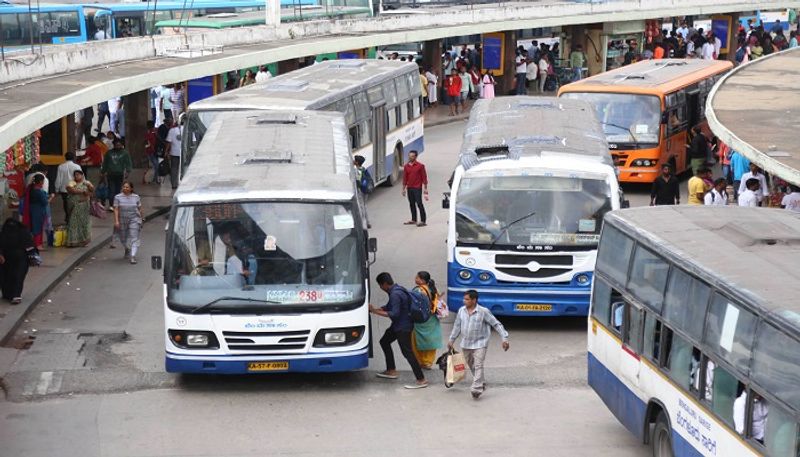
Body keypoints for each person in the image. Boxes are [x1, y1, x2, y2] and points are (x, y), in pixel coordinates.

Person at [368, 272, 428, 389]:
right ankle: (391, 370)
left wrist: (375, 311)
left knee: (407, 352)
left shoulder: (395, 294)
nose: (381, 288)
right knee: (384, 341)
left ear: (385, 284)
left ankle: (421, 379)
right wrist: (377, 309)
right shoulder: (398, 289)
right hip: (398, 325)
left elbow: (394, 313)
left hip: (403, 327)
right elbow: (390, 306)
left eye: (380, 286)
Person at [448, 289, 509, 399]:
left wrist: (504, 338)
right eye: (464, 299)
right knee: (471, 365)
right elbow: (457, 326)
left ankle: (476, 388)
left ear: (474, 300)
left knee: (478, 364)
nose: (464, 301)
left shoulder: (483, 311)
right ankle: (481, 382)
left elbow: (496, 324)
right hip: (465, 343)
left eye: (467, 299)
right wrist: (451, 340)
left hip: (480, 343)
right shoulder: (461, 311)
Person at [0, 218, 37, 305]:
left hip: (19, 259)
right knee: (12, 276)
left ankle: (15, 295)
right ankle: (10, 294)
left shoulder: (6, 232)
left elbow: (29, 246)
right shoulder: (22, 232)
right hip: (9, 259)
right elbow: (30, 245)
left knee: (16, 276)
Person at [410, 271, 442, 370]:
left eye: (417, 277)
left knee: (417, 341)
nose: (415, 279)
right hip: (432, 319)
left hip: (421, 319)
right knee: (431, 342)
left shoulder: (418, 291)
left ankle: (420, 362)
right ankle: (428, 362)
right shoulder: (433, 289)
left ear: (422, 280)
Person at [114, 182, 143, 264]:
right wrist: (116, 221)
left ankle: (133, 256)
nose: (125, 188)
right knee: (123, 238)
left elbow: (140, 209)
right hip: (122, 219)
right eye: (124, 187)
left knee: (134, 237)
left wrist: (141, 219)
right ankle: (127, 249)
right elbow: (116, 209)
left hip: (134, 219)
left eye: (127, 187)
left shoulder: (136, 197)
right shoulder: (117, 197)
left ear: (131, 189)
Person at [101, 138, 132, 210]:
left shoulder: (125, 153)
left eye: (119, 145)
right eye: (116, 145)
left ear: (122, 145)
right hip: (110, 174)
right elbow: (105, 163)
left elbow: (128, 163)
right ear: (114, 145)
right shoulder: (109, 153)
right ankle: (111, 205)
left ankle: (117, 204)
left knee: (118, 190)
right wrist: (102, 172)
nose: (118, 146)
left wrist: (128, 171)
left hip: (120, 174)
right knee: (111, 189)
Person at [65, 170, 94, 247]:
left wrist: (88, 189)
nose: (76, 176)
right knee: (73, 223)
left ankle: (83, 240)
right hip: (75, 206)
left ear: (82, 175)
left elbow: (92, 191)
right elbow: (70, 189)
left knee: (84, 223)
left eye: (78, 175)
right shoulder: (72, 183)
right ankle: (73, 241)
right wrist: (82, 191)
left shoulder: (87, 183)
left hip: (84, 206)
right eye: (75, 175)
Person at [21, 174, 49, 250]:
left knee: (33, 226)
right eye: (43, 181)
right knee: (38, 227)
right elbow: (45, 202)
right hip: (38, 211)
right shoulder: (39, 191)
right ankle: (38, 245)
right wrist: (51, 198)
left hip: (32, 209)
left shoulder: (30, 189)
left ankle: (34, 244)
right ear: (40, 182)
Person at [55, 152, 83, 223]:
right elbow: (81, 178)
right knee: (74, 202)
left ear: (65, 157)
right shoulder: (77, 167)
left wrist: (57, 188)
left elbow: (59, 179)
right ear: (73, 157)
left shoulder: (61, 166)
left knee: (66, 203)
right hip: (75, 188)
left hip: (64, 189)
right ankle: (73, 217)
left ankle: (68, 216)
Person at [401, 150, 428, 227]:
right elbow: (405, 178)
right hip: (409, 188)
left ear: (416, 157)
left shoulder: (420, 166)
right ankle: (414, 219)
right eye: (409, 156)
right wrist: (403, 189)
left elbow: (424, 177)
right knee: (411, 203)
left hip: (417, 188)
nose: (410, 157)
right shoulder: (406, 166)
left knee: (419, 203)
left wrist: (425, 188)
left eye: (412, 156)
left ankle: (423, 220)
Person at [353, 155, 371, 229]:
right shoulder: (364, 169)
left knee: (361, 206)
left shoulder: (357, 171)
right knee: (364, 205)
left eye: (354, 160)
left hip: (360, 190)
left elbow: (357, 181)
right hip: (366, 189)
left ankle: (364, 224)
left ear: (357, 162)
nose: (353, 161)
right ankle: (368, 222)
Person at [165, 118, 183, 190]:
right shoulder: (188, 128)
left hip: (174, 153)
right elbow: (193, 142)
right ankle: (183, 184)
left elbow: (169, 142)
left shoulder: (172, 130)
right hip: (184, 153)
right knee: (184, 169)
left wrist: (166, 152)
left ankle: (174, 185)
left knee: (174, 168)